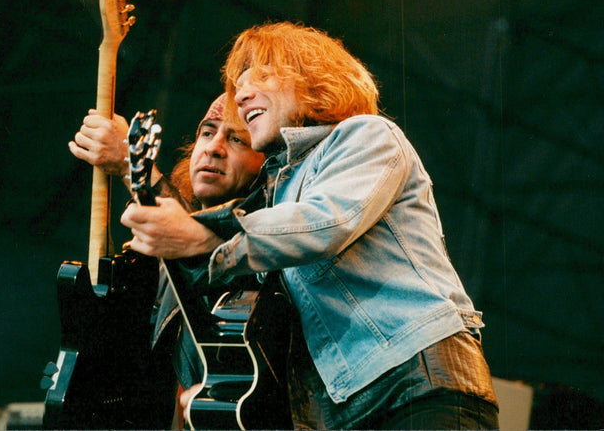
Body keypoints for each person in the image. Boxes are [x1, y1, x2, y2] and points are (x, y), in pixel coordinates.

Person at [121, 22, 500, 430]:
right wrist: (131, 169)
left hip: (415, 386)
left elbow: (326, 220)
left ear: (314, 81)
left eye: (260, 77)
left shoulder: (367, 135)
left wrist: (203, 236)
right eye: (239, 84)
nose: (242, 94)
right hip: (339, 412)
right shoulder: (275, 192)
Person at [69, 94, 266, 423]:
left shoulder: (273, 244)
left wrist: (131, 167)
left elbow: (213, 263)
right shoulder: (159, 263)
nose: (213, 148)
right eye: (207, 132)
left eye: (236, 139)